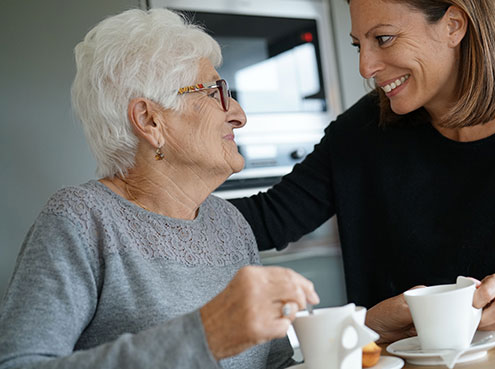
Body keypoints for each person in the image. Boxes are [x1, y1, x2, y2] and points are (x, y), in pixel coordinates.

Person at [231, 0, 495, 343]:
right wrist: (177, 177)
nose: (366, 66)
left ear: (453, 25)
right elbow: (268, 220)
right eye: (359, 45)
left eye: (384, 38)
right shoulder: (362, 130)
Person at [0, 8, 319, 369]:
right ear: (150, 120)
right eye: (216, 94)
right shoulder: (80, 221)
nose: (239, 114)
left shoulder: (230, 224)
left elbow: (273, 363)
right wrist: (204, 336)